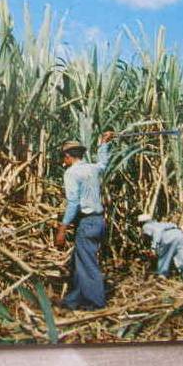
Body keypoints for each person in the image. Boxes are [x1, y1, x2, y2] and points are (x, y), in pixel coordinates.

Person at [54, 132, 114, 311]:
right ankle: (73, 301)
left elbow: (73, 202)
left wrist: (62, 228)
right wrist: (103, 144)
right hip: (99, 221)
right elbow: (104, 164)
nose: (62, 161)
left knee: (87, 263)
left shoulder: (71, 173)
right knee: (80, 261)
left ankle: (96, 302)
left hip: (87, 223)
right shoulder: (92, 168)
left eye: (63, 158)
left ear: (68, 156)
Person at [138, 214, 183, 280]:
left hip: (167, 239)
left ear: (141, 223)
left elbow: (157, 232)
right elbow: (175, 225)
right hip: (181, 237)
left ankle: (162, 276)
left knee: (164, 257)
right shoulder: (162, 223)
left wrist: (154, 248)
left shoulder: (146, 226)